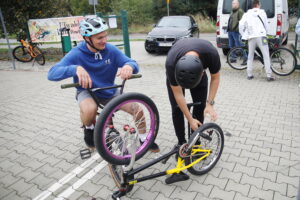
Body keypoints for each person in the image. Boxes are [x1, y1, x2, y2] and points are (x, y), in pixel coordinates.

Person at [48, 17, 160, 153]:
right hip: (87, 91)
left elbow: (132, 63)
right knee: (90, 110)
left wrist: (129, 66)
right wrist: (75, 69)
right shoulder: (76, 53)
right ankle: (88, 128)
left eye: (105, 36)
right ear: (87, 38)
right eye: (99, 38)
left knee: (138, 109)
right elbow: (52, 73)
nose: (104, 41)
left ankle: (144, 139)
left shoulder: (110, 50)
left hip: (109, 91)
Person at [165, 38, 221, 184]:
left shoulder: (211, 55)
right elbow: (178, 95)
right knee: (177, 108)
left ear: (203, 72)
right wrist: (189, 118)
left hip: (199, 71)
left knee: (200, 106)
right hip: (177, 70)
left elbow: (215, 77)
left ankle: (195, 143)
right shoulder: (171, 64)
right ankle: (181, 143)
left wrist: (210, 104)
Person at [239, 0, 275, 81]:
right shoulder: (262, 13)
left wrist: (244, 34)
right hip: (262, 36)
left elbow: (241, 24)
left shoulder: (247, 14)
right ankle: (269, 75)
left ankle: (249, 74)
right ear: (258, 5)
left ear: (253, 5)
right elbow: (266, 25)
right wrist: (266, 33)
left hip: (251, 37)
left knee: (250, 56)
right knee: (266, 55)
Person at [228, 0, 246, 64]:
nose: (233, 4)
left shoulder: (240, 11)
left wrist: (238, 29)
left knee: (239, 46)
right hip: (230, 31)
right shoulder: (232, 11)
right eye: (232, 3)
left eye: (235, 3)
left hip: (236, 31)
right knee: (231, 46)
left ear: (238, 4)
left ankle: (245, 58)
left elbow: (243, 22)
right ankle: (233, 58)